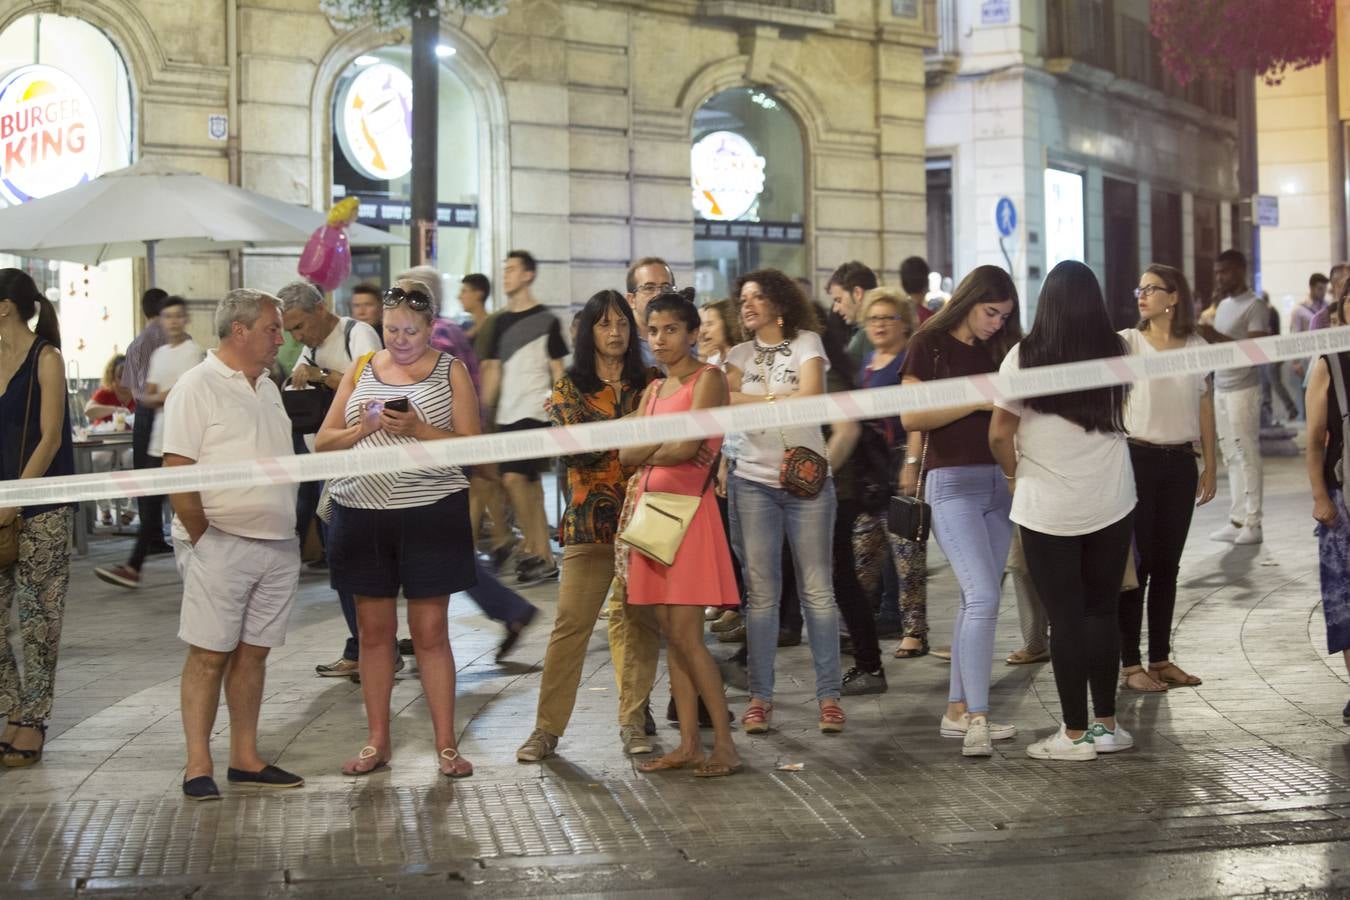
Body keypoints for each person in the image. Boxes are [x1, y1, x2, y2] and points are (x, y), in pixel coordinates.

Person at [317, 278, 480, 779]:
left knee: (430, 631)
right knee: (373, 633)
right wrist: (361, 429)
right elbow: (324, 443)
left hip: (430, 510)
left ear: (432, 328)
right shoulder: (363, 367)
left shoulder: (450, 371)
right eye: (391, 330)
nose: (400, 340)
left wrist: (419, 430)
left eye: (410, 330)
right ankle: (377, 740)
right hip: (360, 510)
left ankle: (446, 743)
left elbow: (473, 448)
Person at [989, 260, 1136, 762]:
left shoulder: (1023, 357)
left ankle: (1073, 735)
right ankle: (1107, 726)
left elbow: (998, 433)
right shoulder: (1119, 351)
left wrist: (1014, 475)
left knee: (1065, 619)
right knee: (1102, 611)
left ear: (1046, 303)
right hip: (1112, 500)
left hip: (1046, 507)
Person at [166, 289, 304, 800]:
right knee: (208, 653)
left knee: (254, 654)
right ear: (239, 330)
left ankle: (245, 757)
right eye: (272, 328)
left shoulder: (268, 385)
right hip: (221, 540)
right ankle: (196, 763)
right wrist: (204, 536)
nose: (281, 337)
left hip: (276, 542)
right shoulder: (196, 386)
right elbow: (177, 469)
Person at [515, 290, 658, 762]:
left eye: (622, 324)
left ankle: (634, 721)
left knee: (639, 624)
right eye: (604, 324)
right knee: (570, 627)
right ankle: (545, 730)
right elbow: (582, 449)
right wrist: (641, 424)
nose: (615, 333)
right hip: (587, 526)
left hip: (645, 520)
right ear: (587, 332)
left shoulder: (652, 381)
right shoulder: (568, 388)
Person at [899, 265, 1021, 757]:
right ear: (969, 300)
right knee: (983, 598)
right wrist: (977, 400)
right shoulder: (928, 344)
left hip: (1002, 484)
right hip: (952, 485)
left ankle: (957, 710)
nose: (997, 322)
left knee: (980, 600)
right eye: (991, 312)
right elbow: (912, 415)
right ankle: (978, 717)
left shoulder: (1004, 348)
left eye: (1005, 315)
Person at [620, 290, 741, 776]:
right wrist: (656, 448)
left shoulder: (708, 379)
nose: (660, 339)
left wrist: (649, 448)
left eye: (671, 329)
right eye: (653, 330)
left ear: (692, 334)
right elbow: (628, 454)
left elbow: (687, 448)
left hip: (689, 515)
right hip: (653, 517)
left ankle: (725, 747)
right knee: (674, 636)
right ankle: (689, 743)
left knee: (689, 638)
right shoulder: (653, 391)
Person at [725, 268, 846, 735]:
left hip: (807, 483)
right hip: (752, 481)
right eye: (742, 300)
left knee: (818, 592)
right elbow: (724, 401)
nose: (747, 306)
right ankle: (760, 698)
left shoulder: (808, 343)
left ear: (779, 302)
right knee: (761, 597)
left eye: (756, 297)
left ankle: (829, 697)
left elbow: (812, 399)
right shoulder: (736, 354)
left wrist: (754, 398)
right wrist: (781, 397)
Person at [404, 265, 538, 661]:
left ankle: (504, 611)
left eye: (402, 296)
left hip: (439, 456)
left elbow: (436, 401)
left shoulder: (438, 338)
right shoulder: (447, 332)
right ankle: (503, 611)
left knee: (435, 546)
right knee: (440, 546)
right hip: (446, 454)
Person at [1116, 264, 1217, 693]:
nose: (1142, 295)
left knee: (1167, 567)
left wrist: (1210, 462)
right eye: (1140, 288)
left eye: (1152, 289)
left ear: (1173, 297)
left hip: (1179, 463)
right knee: (1134, 567)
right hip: (1136, 459)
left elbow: (1205, 405)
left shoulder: (1197, 345)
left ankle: (1160, 658)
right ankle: (1130, 664)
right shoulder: (1127, 343)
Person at [0, 270, 75, 768]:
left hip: (41, 506)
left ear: (5, 306)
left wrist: (15, 501)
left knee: (38, 620)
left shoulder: (46, 359)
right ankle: (11, 706)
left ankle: (33, 720)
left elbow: (50, 438)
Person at [95, 297, 205, 589]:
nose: (173, 322)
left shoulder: (193, 352)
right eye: (167, 316)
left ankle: (203, 561)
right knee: (152, 502)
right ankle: (134, 566)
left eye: (178, 316)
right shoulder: (160, 355)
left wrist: (162, 395)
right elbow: (150, 395)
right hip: (160, 437)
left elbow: (179, 393)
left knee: (191, 503)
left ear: (186, 319)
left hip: (185, 436)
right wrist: (164, 395)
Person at [479, 250, 567, 585]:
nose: (506, 275)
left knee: (516, 479)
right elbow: (494, 371)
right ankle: (541, 553)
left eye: (512, 269)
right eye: (504, 270)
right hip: (507, 413)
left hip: (536, 410)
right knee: (525, 484)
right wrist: (483, 412)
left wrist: (560, 407)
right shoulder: (499, 322)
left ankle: (538, 551)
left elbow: (558, 369)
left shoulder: (547, 320)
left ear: (529, 274)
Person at [818, 311, 889, 696]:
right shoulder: (833, 368)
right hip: (832, 490)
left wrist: (815, 474)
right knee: (837, 577)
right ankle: (868, 663)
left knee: (840, 577)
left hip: (835, 491)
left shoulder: (827, 374)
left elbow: (846, 430)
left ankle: (869, 663)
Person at [856, 288, 929, 660]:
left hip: (901, 460)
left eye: (888, 318)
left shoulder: (908, 360)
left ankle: (915, 632)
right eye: (874, 318)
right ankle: (855, 628)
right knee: (863, 556)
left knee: (906, 555)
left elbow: (916, 420)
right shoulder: (867, 362)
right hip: (870, 469)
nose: (880, 325)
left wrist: (912, 465)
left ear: (905, 323)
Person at [1305, 284, 1350, 723]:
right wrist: (1320, 496)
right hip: (1343, 499)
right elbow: (1314, 441)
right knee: (1345, 598)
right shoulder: (1330, 364)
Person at [1201, 250, 1269, 545]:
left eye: (1225, 272)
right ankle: (1237, 517)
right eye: (1217, 272)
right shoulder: (1223, 305)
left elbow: (1256, 350)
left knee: (1248, 453)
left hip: (1244, 387)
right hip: (1222, 385)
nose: (1220, 277)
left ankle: (1254, 522)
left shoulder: (1255, 306)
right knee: (1230, 454)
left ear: (1241, 270)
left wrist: (1214, 336)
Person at [699, 299, 747, 638]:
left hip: (739, 456)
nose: (703, 330)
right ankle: (730, 600)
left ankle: (741, 605)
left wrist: (726, 461)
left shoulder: (739, 361)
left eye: (710, 323)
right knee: (725, 537)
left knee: (741, 540)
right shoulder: (714, 363)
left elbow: (737, 419)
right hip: (719, 456)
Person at [121, 287, 172, 557]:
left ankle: (151, 537)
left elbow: (131, 388)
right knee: (170, 474)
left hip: (143, 413)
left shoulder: (135, 344)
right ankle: (159, 535)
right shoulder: (173, 343)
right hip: (168, 410)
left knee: (146, 477)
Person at [85, 354, 136, 526]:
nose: (123, 383)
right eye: (119, 377)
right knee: (99, 459)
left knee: (133, 459)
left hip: (131, 443)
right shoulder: (105, 393)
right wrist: (115, 409)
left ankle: (132, 508)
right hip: (106, 441)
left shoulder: (139, 393)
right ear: (112, 376)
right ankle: (104, 508)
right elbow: (89, 411)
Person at [625, 257, 677, 367]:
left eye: (666, 288)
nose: (659, 294)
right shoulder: (621, 339)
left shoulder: (685, 338)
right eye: (649, 288)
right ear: (631, 300)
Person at [826, 260, 878, 364]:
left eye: (838, 300)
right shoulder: (864, 331)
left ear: (857, 293)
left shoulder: (869, 333)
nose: (835, 309)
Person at [459, 273, 493, 342]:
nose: (459, 297)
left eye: (464, 291)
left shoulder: (493, 326)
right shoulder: (464, 326)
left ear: (479, 295)